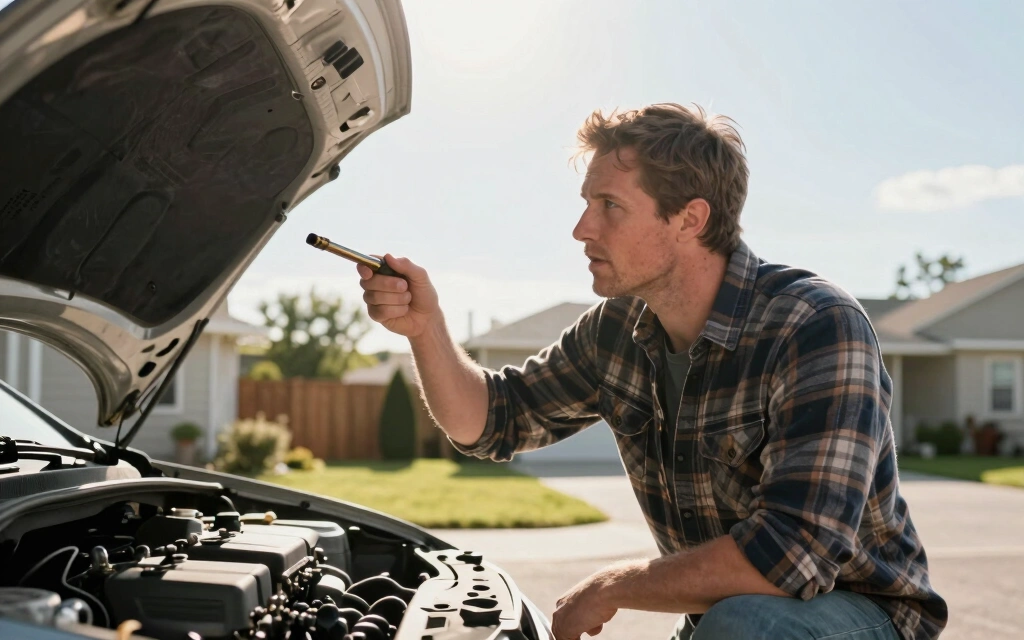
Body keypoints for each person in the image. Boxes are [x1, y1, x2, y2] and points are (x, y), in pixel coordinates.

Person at [356, 103, 948, 640]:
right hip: (725, 617)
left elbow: (791, 556)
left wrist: (615, 585)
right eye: (586, 204)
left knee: (745, 624)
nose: (582, 228)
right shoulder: (616, 330)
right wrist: (426, 329)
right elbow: (492, 421)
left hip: (862, 613)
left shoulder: (815, 325)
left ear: (690, 219)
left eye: (610, 205)